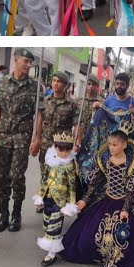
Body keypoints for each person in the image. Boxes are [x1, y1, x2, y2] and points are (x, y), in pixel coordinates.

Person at [62, 119, 134, 267]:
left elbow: (132, 192)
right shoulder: (105, 160)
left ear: (125, 145)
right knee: (84, 238)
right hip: (106, 199)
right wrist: (85, 200)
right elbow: (93, 184)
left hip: (128, 203)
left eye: (115, 145)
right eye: (110, 144)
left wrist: (125, 209)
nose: (111, 148)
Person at [0, 49, 40, 234]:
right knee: (2, 177)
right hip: (5, 137)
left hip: (22, 138)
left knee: (17, 176)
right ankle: (3, 215)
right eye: (26, 61)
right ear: (16, 60)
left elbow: (39, 114)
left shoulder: (35, 86)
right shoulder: (2, 83)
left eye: (31, 63)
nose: (29, 65)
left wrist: (36, 138)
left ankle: (16, 214)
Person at [33, 70, 79, 212]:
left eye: (59, 81)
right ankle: (45, 200)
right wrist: (36, 139)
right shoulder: (45, 101)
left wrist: (77, 143)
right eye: (53, 80)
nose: (55, 83)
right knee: (45, 173)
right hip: (46, 143)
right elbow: (39, 120)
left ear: (65, 85)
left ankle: (60, 201)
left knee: (61, 175)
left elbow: (77, 125)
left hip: (62, 146)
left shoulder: (72, 104)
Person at [35, 130, 79, 267]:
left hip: (60, 201)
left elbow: (72, 186)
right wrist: (40, 196)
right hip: (48, 197)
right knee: (47, 224)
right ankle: (57, 240)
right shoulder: (50, 160)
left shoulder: (71, 165)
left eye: (67, 150)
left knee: (54, 226)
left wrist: (71, 204)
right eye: (61, 150)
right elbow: (44, 179)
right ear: (55, 148)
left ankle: (51, 254)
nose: (64, 153)